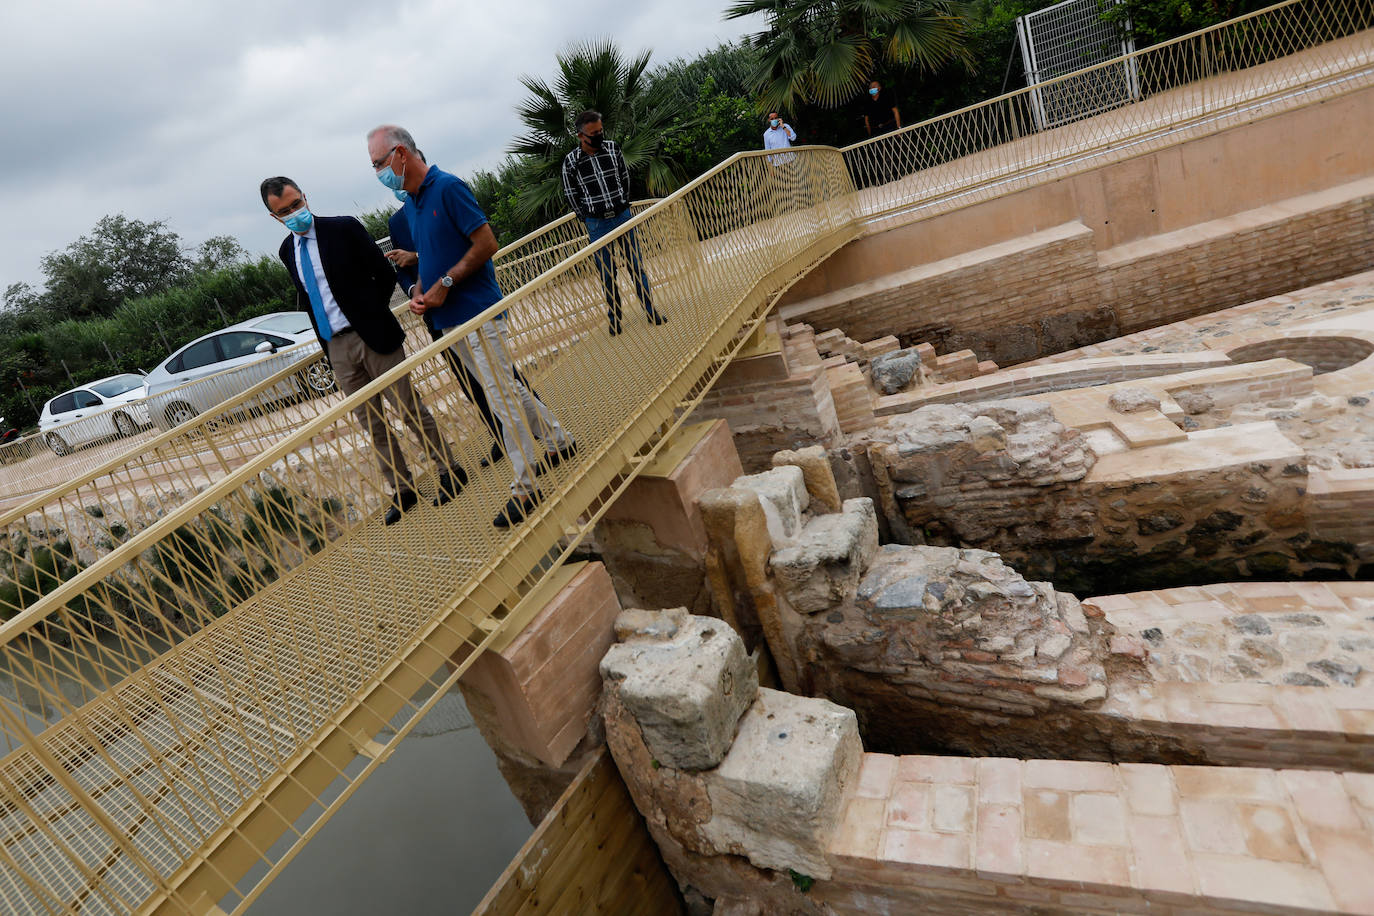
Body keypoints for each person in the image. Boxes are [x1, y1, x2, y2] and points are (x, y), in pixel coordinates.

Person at [366, 125, 575, 529]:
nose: (377, 173)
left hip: (477, 312)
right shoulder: (412, 203)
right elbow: (431, 252)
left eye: (378, 164)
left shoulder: (448, 188)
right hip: (448, 319)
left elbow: (486, 243)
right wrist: (421, 288)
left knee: (499, 397)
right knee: (506, 389)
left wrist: (445, 285)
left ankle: (525, 486)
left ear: (400, 155)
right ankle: (557, 442)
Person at [261, 176, 465, 526]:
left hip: (374, 335)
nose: (294, 213)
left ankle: (449, 469)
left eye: (296, 204)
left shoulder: (343, 229)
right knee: (371, 423)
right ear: (273, 216)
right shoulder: (286, 251)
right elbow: (310, 298)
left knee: (408, 407)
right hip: (336, 347)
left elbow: (382, 275)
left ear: (305, 197)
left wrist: (370, 314)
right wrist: (328, 345)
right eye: (284, 211)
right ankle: (402, 489)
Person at [386, 204, 511, 470]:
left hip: (467, 303)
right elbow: (402, 269)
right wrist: (413, 293)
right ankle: (499, 435)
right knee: (467, 378)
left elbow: (464, 246)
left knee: (501, 374)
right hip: (436, 316)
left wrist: (416, 256)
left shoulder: (442, 200)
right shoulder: (397, 222)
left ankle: (536, 430)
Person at [560, 110, 668, 336]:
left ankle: (651, 311)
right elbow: (571, 195)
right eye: (593, 134)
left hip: (621, 216)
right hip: (597, 225)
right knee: (608, 274)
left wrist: (622, 204)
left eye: (600, 131)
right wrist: (587, 216)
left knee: (636, 267)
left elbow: (624, 177)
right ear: (581, 136)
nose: (599, 136)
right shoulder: (571, 162)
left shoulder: (612, 148)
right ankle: (615, 319)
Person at [763, 111, 800, 211]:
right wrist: (770, 169)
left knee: (795, 183)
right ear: (769, 120)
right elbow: (768, 152)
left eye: (776, 118)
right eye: (772, 118)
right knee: (784, 187)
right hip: (778, 164)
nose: (774, 120)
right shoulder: (766, 134)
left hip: (790, 160)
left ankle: (799, 205)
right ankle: (790, 208)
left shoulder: (785, 127)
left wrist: (783, 126)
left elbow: (793, 138)